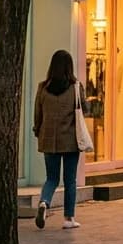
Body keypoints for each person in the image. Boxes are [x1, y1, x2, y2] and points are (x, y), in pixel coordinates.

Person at [33, 50, 83, 231]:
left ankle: (44, 202)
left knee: (51, 178)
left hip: (48, 140)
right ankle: (69, 218)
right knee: (69, 180)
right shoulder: (75, 87)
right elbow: (83, 110)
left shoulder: (43, 87)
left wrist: (37, 130)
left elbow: (37, 114)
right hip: (70, 140)